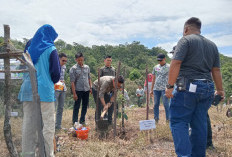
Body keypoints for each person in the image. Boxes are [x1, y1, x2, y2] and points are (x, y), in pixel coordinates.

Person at [165, 17, 224, 157]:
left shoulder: (185, 40)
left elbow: (176, 63)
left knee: (179, 121)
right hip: (207, 87)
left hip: (188, 86)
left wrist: (169, 86)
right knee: (199, 123)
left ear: (186, 29)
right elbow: (216, 70)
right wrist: (220, 90)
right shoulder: (212, 45)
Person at [18, 24, 60, 157]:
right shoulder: (51, 49)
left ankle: (27, 154)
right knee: (48, 125)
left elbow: (21, 68)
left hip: (27, 90)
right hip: (45, 92)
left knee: (28, 124)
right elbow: (56, 75)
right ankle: (48, 154)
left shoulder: (28, 47)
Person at [70, 52, 92, 125]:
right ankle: (75, 121)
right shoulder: (73, 69)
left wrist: (90, 87)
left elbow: (89, 78)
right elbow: (72, 82)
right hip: (78, 90)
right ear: (76, 60)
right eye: (79, 60)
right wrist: (74, 93)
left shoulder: (87, 67)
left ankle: (82, 120)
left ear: (83, 59)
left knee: (85, 105)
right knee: (77, 106)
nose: (80, 61)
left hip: (86, 89)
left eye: (81, 60)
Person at [150, 53, 170, 123]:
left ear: (164, 59)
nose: (159, 62)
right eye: (158, 60)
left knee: (166, 104)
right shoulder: (155, 67)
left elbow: (171, 78)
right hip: (156, 88)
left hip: (165, 88)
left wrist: (170, 88)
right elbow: (154, 78)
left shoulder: (169, 67)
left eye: (161, 60)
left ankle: (168, 119)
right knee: (155, 104)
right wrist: (151, 89)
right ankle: (156, 119)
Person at [99, 55, 116, 122]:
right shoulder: (102, 69)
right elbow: (100, 79)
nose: (109, 62)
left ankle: (110, 119)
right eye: (107, 60)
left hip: (111, 90)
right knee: (103, 104)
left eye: (110, 60)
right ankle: (103, 117)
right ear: (104, 61)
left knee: (111, 104)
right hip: (103, 89)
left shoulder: (113, 69)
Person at [55, 52, 67, 130]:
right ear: (58, 59)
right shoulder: (54, 66)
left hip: (63, 88)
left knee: (61, 107)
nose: (64, 62)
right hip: (56, 88)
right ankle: (51, 126)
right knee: (53, 107)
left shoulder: (64, 67)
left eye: (65, 61)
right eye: (63, 60)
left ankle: (58, 125)